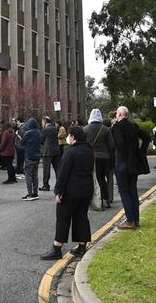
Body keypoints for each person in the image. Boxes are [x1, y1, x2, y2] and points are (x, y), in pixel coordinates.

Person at [41, 126, 95, 260]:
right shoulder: (89, 150)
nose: (68, 138)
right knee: (81, 216)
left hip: (71, 190)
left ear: (73, 137)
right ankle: (82, 246)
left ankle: (57, 248)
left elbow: (63, 173)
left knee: (63, 218)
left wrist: (58, 191)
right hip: (86, 189)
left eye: (69, 135)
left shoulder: (70, 152)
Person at [111, 106, 149, 229]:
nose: (116, 115)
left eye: (117, 113)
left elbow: (120, 144)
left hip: (122, 162)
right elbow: (147, 138)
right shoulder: (134, 126)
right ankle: (136, 219)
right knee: (133, 190)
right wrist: (140, 152)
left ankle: (130, 220)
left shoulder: (117, 127)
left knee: (124, 191)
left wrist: (122, 155)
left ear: (120, 114)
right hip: (134, 162)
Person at [84, 109, 113, 210]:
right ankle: (106, 199)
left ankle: (97, 201)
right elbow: (111, 145)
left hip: (92, 157)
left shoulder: (86, 129)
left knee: (94, 180)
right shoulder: (105, 129)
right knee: (102, 179)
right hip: (104, 157)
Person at [21, 118, 42, 201]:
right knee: (35, 175)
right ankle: (35, 193)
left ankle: (30, 194)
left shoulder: (28, 133)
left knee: (28, 176)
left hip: (29, 156)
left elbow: (22, 142)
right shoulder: (38, 132)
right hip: (37, 156)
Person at [39, 116, 61, 191]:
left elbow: (41, 140)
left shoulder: (45, 129)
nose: (41, 123)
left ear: (45, 121)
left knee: (46, 169)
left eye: (42, 121)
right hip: (56, 151)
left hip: (47, 151)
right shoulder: (55, 128)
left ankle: (46, 185)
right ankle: (60, 184)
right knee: (57, 169)